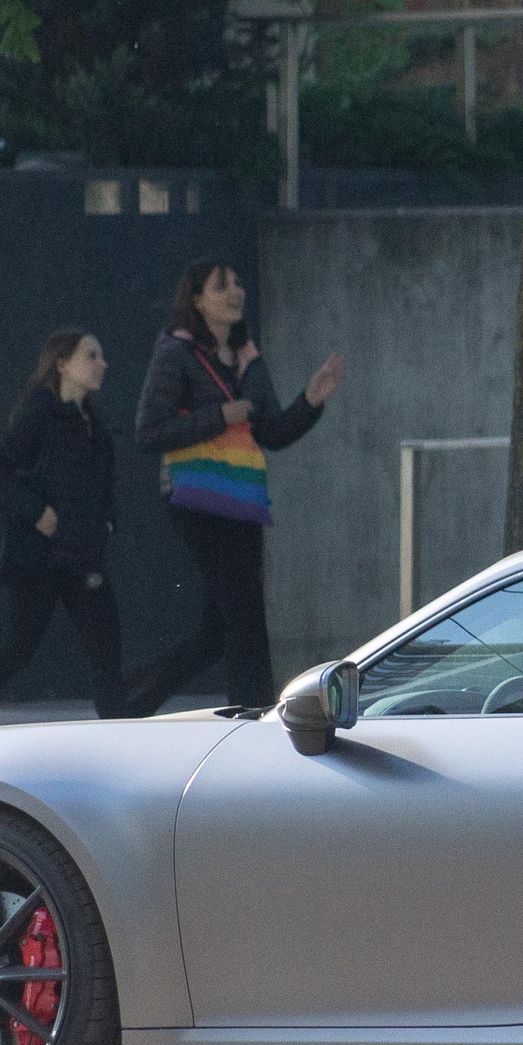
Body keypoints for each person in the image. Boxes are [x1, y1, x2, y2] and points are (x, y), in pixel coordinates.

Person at [121, 263, 344, 714]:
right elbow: (148, 431)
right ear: (197, 300)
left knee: (219, 629)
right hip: (196, 499)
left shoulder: (247, 357)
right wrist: (219, 417)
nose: (235, 292)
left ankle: (132, 704)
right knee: (246, 617)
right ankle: (256, 716)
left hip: (241, 500)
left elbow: (272, 433)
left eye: (238, 283)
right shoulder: (175, 354)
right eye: (221, 286)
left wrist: (311, 401)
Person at [0, 331, 126, 728]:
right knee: (19, 647)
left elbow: (99, 487)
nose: (102, 364)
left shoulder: (93, 423)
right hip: (42, 557)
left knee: (105, 650)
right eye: (91, 355)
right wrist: (35, 511)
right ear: (62, 364)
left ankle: (122, 736)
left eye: (101, 356)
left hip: (81, 557)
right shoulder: (40, 413)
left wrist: (106, 522)